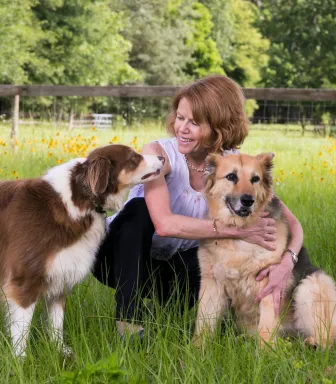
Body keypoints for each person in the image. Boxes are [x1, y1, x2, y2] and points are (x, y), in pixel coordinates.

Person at [93, 75, 303, 338]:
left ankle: (168, 314)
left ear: (219, 127)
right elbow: (164, 224)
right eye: (180, 118)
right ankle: (128, 319)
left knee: (210, 260)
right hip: (119, 260)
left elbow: (293, 224)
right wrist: (237, 231)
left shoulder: (231, 165)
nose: (182, 128)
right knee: (138, 210)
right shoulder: (159, 154)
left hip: (177, 272)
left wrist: (287, 262)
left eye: (194, 123)